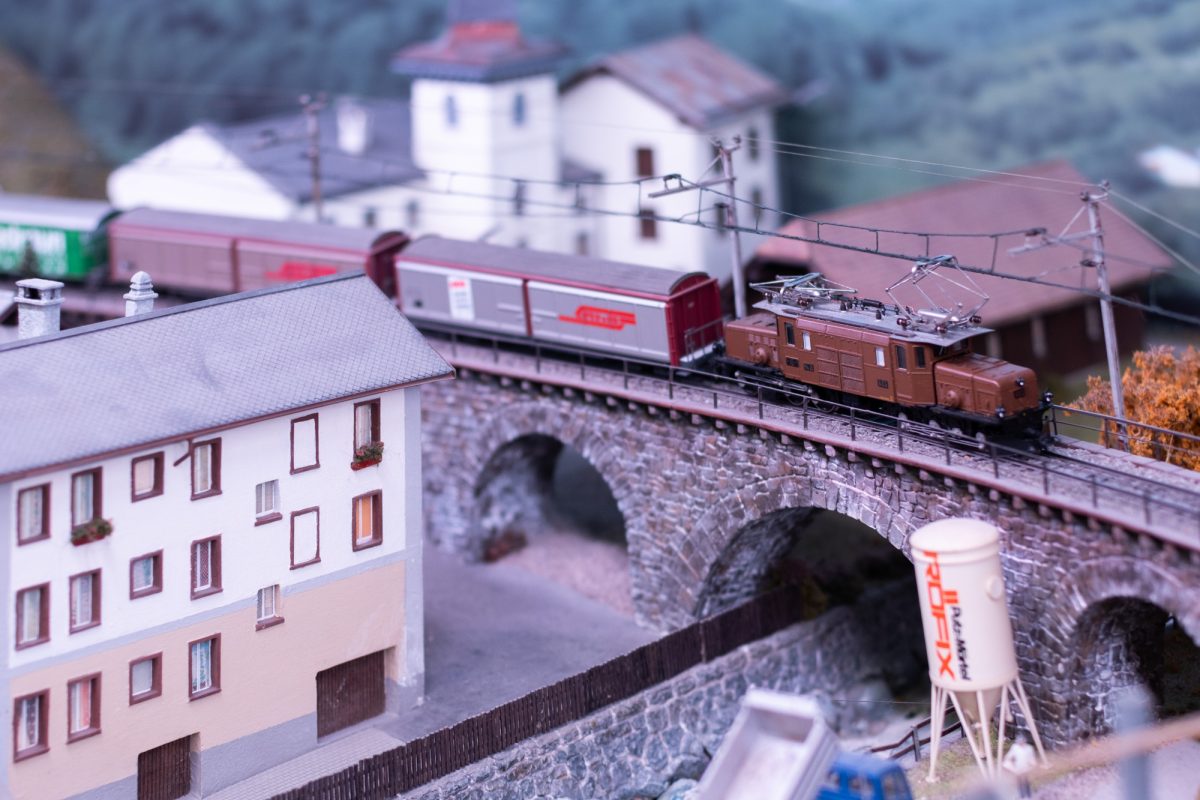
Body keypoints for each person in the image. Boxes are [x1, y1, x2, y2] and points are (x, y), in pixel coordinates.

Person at [1002, 733, 1037, 798]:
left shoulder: (1029, 748)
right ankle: (1022, 796)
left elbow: (1031, 758)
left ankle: (1029, 795)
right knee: (1019, 782)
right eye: (1019, 741)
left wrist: (1033, 764)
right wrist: (1007, 759)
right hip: (1018, 768)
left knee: (1026, 782)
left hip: (1026, 768)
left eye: (1022, 741)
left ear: (1024, 741)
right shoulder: (1015, 747)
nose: (1020, 742)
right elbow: (1010, 755)